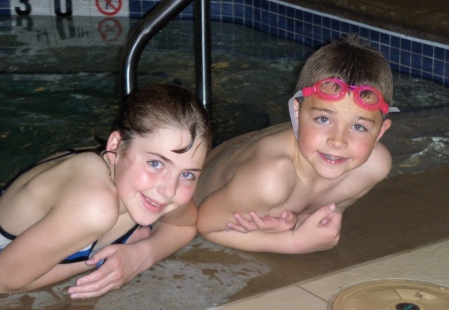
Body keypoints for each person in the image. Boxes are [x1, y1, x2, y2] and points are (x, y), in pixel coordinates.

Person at [0, 84, 212, 295]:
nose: (169, 190)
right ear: (115, 147)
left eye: (187, 174)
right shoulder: (94, 206)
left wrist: (141, 255)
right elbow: (3, 280)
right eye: (156, 164)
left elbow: (184, 226)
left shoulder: (145, 186)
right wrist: (95, 261)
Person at [193, 36, 394, 253]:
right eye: (323, 119)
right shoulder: (270, 180)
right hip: (207, 169)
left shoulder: (373, 168)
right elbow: (207, 225)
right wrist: (293, 242)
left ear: (380, 132)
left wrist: (302, 221)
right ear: (296, 114)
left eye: (359, 127)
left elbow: (335, 208)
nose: (338, 140)